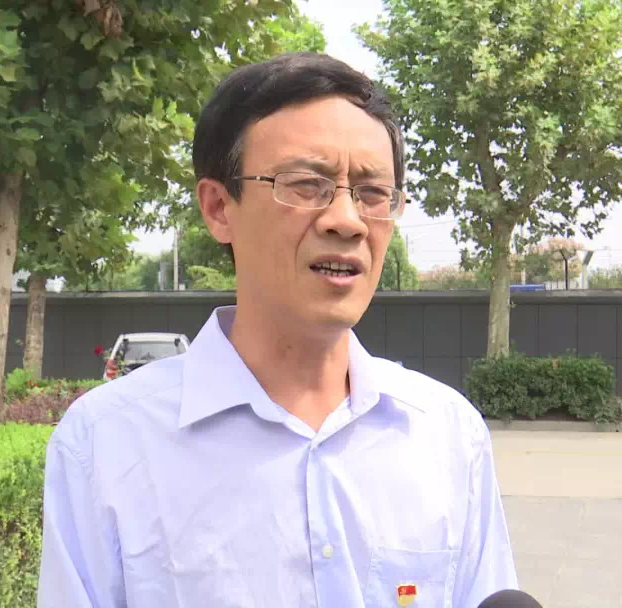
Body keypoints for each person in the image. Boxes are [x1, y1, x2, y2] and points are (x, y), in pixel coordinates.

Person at [38, 53, 518, 607]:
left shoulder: (446, 434)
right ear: (219, 208)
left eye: (371, 193)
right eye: (307, 184)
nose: (347, 220)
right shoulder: (106, 445)